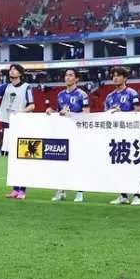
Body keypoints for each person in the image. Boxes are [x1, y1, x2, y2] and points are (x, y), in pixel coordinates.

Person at [0, 63, 35, 199]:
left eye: (15, 69)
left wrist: (21, 112)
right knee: (12, 159)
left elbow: (32, 105)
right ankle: (15, 189)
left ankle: (23, 191)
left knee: (22, 158)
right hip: (8, 125)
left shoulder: (27, 87)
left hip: (21, 125)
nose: (12, 71)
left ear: (20, 73)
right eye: (10, 69)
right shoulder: (6, 87)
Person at [47, 68, 89, 203]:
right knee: (61, 163)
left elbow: (86, 114)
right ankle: (61, 190)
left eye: (71, 75)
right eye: (66, 75)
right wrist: (51, 111)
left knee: (77, 163)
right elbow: (59, 112)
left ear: (76, 79)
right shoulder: (60, 95)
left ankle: (79, 192)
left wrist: (70, 114)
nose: (68, 77)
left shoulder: (82, 95)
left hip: (77, 133)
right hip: (63, 133)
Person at [105, 67, 140, 205]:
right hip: (115, 136)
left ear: (125, 78)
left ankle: (137, 195)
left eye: (118, 75)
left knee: (133, 165)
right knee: (119, 166)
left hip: (131, 135)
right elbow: (105, 115)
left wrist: (122, 114)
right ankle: (123, 195)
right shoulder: (109, 97)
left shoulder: (132, 93)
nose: (115, 78)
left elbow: (139, 113)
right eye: (113, 76)